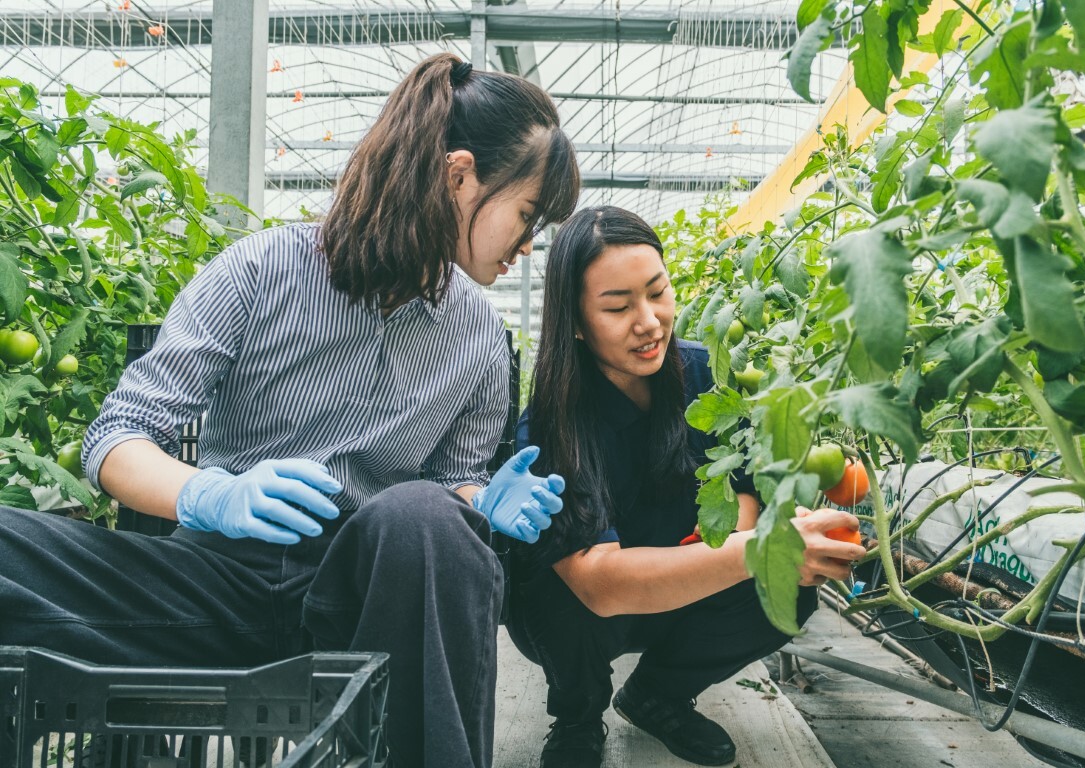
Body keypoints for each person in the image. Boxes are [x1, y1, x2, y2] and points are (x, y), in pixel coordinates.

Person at [0, 54, 580, 768]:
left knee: (429, 519)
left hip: (361, 608)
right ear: (460, 177)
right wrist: (208, 494)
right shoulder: (261, 270)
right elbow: (117, 435)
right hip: (215, 584)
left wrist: (478, 499)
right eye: (527, 216)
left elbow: (452, 484)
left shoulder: (481, 339)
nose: (529, 247)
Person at [509, 206, 868, 768]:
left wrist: (750, 545)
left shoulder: (711, 377)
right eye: (618, 306)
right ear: (575, 321)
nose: (649, 321)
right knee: (551, 583)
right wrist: (753, 551)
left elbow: (746, 501)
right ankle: (578, 715)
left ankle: (659, 694)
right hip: (594, 612)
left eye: (658, 292)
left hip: (688, 586)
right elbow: (598, 583)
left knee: (787, 593)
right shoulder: (551, 424)